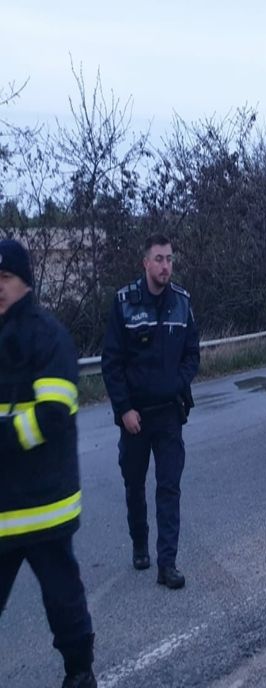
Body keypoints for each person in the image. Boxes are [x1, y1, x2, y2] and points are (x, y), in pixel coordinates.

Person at [0, 239, 96, 688]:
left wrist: (5, 436)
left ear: (25, 282)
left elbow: (55, 414)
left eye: (4, 279)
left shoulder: (48, 336)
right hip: (2, 509)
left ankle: (80, 673)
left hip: (44, 506)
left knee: (63, 602)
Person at [101, 234, 199, 590]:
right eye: (159, 259)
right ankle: (140, 543)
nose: (165, 266)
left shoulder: (182, 303)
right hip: (135, 419)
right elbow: (111, 362)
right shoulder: (124, 303)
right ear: (145, 263)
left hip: (170, 414)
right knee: (134, 485)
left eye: (170, 259)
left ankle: (167, 563)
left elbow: (192, 353)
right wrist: (124, 408)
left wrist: (178, 382)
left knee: (169, 487)